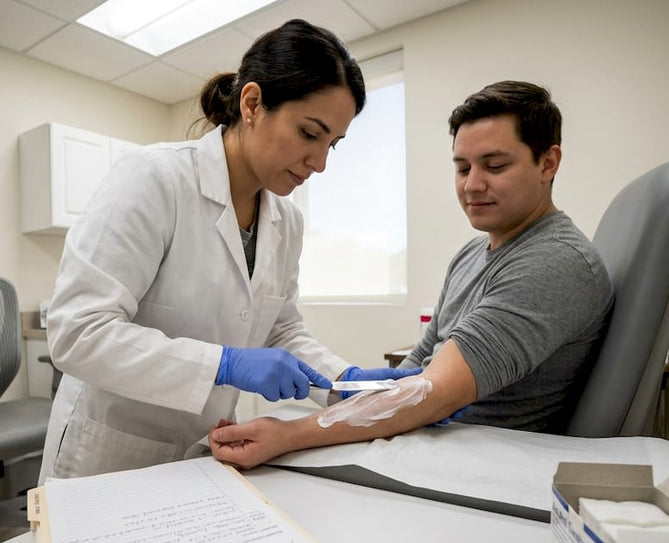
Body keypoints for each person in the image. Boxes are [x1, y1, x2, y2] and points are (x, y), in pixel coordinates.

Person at [39, 19, 420, 482]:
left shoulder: (287, 221)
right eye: (309, 134)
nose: (320, 163)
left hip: (207, 451)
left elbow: (281, 331)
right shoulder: (153, 178)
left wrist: (345, 382)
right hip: (112, 453)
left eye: (332, 144)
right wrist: (223, 364)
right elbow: (77, 332)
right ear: (252, 103)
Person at [210, 80, 614, 469]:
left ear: (548, 163)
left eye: (495, 165)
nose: (472, 185)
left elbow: (431, 393)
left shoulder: (556, 260)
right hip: (426, 445)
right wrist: (358, 387)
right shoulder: (471, 255)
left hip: (480, 460)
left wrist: (289, 434)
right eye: (462, 168)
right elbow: (415, 371)